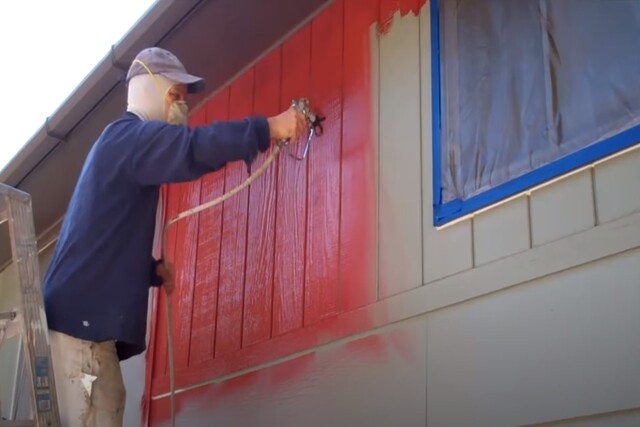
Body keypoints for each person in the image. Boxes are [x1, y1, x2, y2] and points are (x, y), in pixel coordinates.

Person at [41, 46, 307, 426]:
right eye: (176, 96)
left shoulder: (118, 146)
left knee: (111, 398)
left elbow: (100, 238)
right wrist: (268, 128)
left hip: (78, 331)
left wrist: (149, 272)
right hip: (78, 336)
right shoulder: (128, 138)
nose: (182, 106)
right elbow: (193, 148)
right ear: (150, 90)